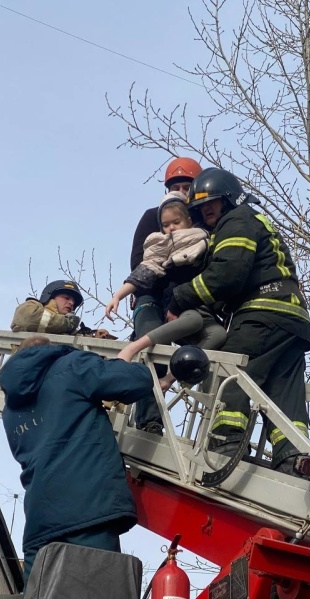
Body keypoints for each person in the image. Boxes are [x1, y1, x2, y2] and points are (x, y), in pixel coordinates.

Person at [166, 168, 310, 476]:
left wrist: (179, 298)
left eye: (212, 203)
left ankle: (225, 442)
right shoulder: (255, 221)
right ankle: (292, 455)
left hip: (262, 314)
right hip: (292, 319)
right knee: (282, 391)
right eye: (200, 208)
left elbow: (226, 274)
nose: (206, 210)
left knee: (229, 372)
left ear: (229, 199)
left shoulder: (237, 221)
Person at [0, 335, 154, 583]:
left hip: (40, 523)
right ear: (48, 351)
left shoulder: (9, 410)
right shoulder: (72, 365)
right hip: (89, 508)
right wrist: (125, 360)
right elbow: (136, 381)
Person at [106, 192, 226, 391]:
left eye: (176, 222)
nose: (171, 228)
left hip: (202, 304)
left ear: (189, 221)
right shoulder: (164, 244)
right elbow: (146, 270)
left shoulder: (206, 238)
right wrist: (118, 295)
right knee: (193, 321)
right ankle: (135, 346)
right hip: (178, 304)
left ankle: (171, 377)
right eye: (165, 225)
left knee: (218, 334)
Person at [128, 157, 203, 430]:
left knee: (208, 348)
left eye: (187, 186)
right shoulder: (152, 216)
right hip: (152, 296)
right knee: (153, 350)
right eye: (176, 186)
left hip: (185, 299)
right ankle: (149, 420)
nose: (181, 191)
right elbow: (138, 262)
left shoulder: (201, 221)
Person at [11, 279, 83, 334]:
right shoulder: (32, 306)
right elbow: (28, 318)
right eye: (66, 298)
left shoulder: (69, 330)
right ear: (50, 297)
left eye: (74, 302)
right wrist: (66, 323)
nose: (71, 303)